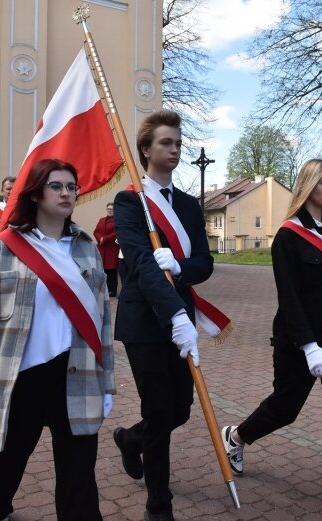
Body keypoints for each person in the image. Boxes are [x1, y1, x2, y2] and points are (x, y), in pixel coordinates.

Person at [220, 159, 322, 521]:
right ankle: (237, 437)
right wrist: (309, 347)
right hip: (299, 342)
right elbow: (289, 298)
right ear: (307, 185)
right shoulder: (288, 237)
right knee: (285, 409)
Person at [0, 158, 114, 521]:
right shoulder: (5, 247)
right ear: (35, 193)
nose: (67, 193)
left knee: (79, 471)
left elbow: (103, 320)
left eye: (71, 187)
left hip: (75, 372)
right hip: (21, 374)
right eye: (56, 186)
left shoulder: (85, 247)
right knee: (4, 458)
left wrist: (106, 383)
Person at [112, 109, 212, 521]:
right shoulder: (129, 201)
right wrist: (172, 312)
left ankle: (130, 439)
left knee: (181, 408)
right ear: (146, 149)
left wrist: (180, 267)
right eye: (165, 143)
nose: (174, 149)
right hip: (146, 322)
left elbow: (204, 264)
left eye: (177, 143)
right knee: (158, 409)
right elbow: (138, 263)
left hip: (180, 320)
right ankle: (159, 505)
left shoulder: (189, 206)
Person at [94, 202, 120, 297]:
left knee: (112, 271)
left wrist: (104, 239)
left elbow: (116, 233)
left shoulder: (117, 220)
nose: (110, 210)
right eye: (108, 209)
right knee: (103, 270)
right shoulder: (101, 220)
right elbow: (95, 231)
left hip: (111, 249)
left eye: (112, 209)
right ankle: (105, 290)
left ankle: (112, 291)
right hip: (102, 248)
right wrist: (99, 238)